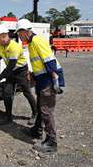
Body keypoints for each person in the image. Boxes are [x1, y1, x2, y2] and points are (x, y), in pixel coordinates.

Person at [15, 19, 65, 153]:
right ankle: (37, 131)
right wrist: (33, 75)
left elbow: (49, 60)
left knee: (46, 110)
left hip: (49, 79)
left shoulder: (37, 41)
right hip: (42, 79)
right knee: (40, 106)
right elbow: (38, 63)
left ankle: (51, 142)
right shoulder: (31, 43)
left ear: (25, 32)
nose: (19, 37)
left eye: (19, 34)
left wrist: (55, 82)